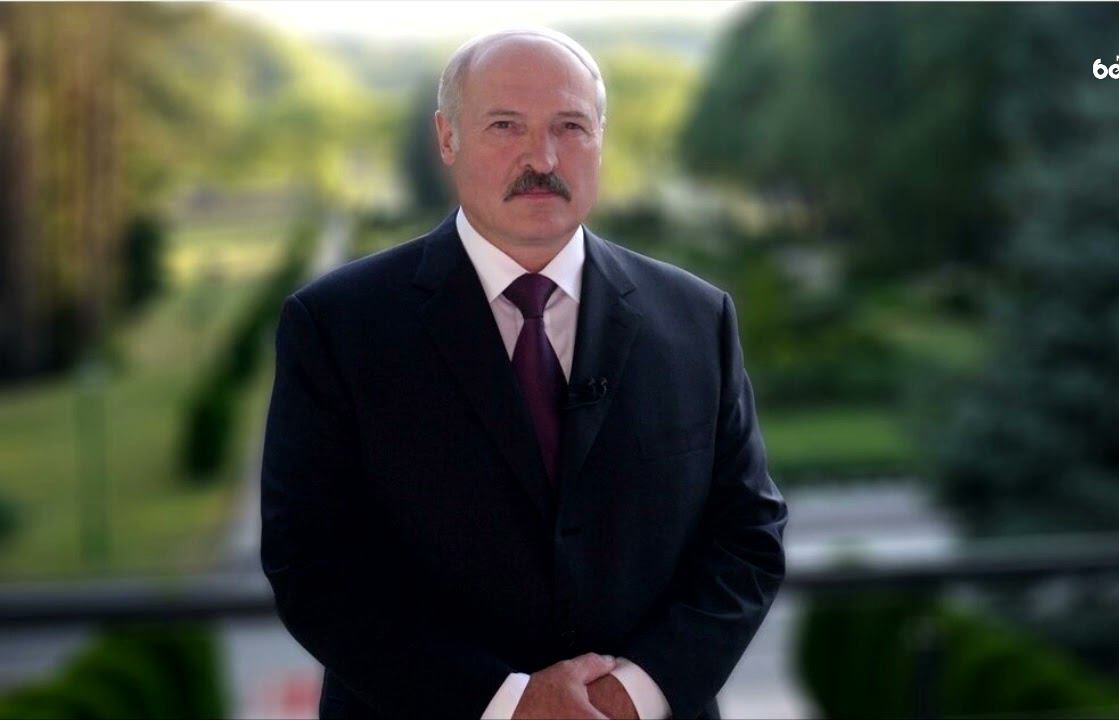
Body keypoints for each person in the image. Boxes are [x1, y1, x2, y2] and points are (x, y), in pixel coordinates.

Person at [260, 27, 787, 720]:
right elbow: (312, 566)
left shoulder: (697, 319)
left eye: (570, 126)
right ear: (447, 138)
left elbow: (747, 536)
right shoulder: (336, 327)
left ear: (601, 139)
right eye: (506, 125)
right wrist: (509, 705)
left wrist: (632, 695)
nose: (542, 158)